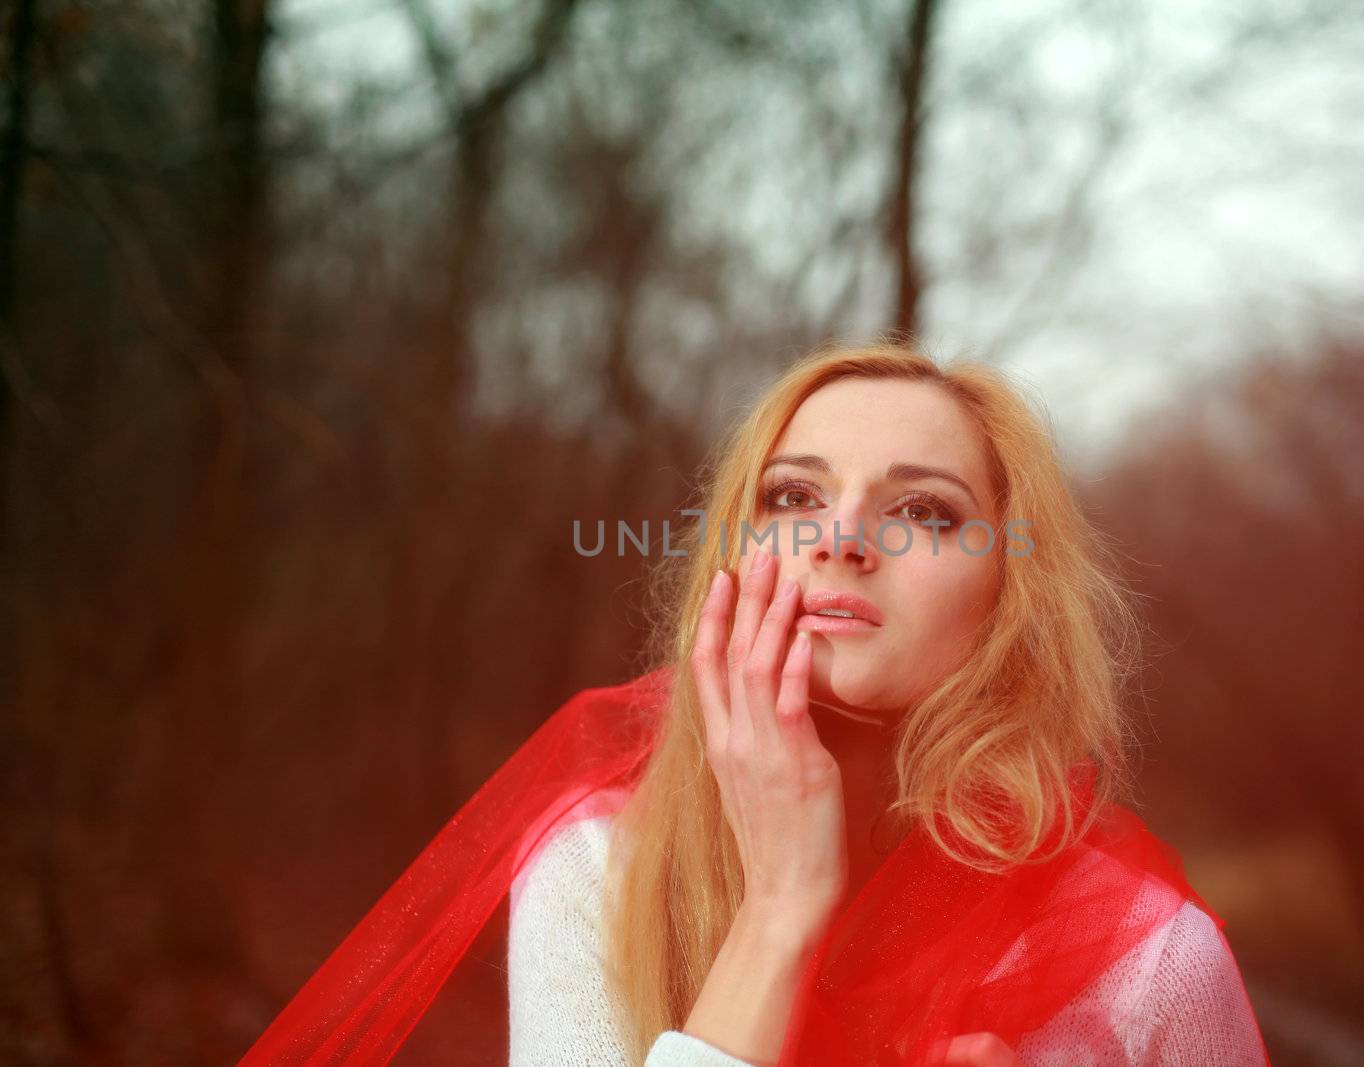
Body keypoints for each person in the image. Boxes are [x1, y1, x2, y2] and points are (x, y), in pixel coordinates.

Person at [239, 340, 1271, 1066]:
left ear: (1008, 595)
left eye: (922, 509)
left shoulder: (1153, 963)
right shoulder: (602, 871)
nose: (842, 536)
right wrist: (781, 905)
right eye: (791, 496)